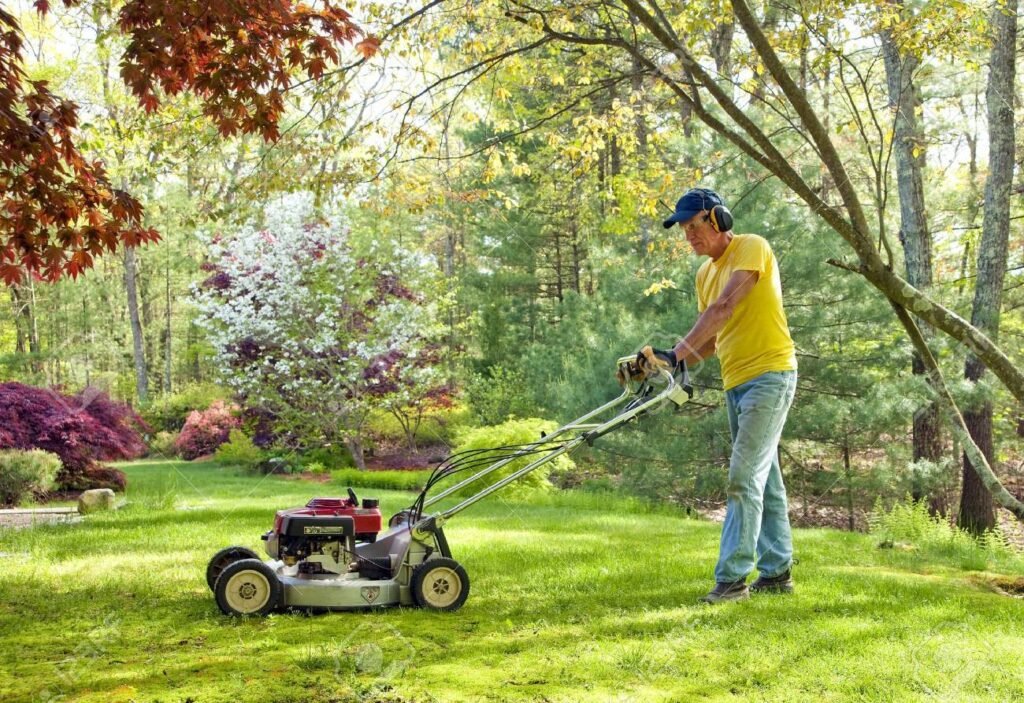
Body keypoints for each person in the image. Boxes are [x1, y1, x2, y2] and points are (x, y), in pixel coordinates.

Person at [651, 186, 798, 604]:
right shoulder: (704, 275)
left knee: (743, 476)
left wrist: (676, 353)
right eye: (683, 228)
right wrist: (666, 365)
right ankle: (777, 572)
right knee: (764, 478)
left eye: (693, 224)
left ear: (718, 219)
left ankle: (732, 580)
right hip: (736, 381)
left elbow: (724, 308)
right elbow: (711, 341)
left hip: (771, 374)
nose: (688, 234)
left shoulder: (751, 248)